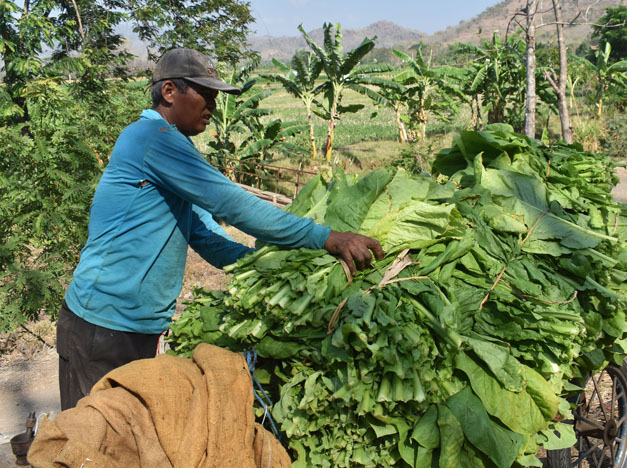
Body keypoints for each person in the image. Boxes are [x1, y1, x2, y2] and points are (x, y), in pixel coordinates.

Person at [57, 48, 384, 410]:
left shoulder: (174, 148)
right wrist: (326, 238)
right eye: (206, 95)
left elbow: (204, 234)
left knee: (130, 441)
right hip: (102, 326)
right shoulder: (152, 138)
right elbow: (233, 204)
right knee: (93, 449)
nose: (212, 106)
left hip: (134, 327)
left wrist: (268, 268)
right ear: (169, 92)